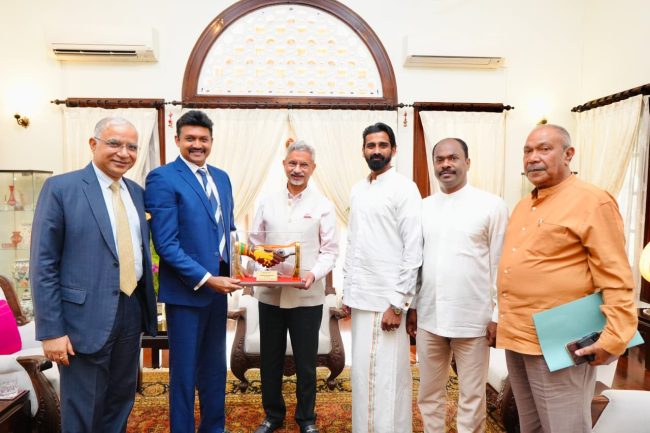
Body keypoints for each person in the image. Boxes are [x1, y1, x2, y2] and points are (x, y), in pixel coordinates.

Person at [496, 124, 638, 433]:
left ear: (568, 154)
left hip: (560, 341)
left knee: (564, 427)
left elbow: (616, 276)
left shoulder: (593, 201)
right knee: (529, 426)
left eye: (544, 149)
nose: (533, 157)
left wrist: (615, 337)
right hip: (518, 336)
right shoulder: (523, 205)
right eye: (527, 151)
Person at [30, 117, 157, 433]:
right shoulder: (61, 189)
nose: (124, 153)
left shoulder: (137, 193)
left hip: (131, 311)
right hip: (81, 320)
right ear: (93, 144)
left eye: (132, 147)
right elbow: (43, 264)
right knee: (83, 409)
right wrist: (51, 331)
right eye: (114, 143)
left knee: (120, 401)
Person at [145, 110, 242, 433]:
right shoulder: (162, 178)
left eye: (203, 139)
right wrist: (206, 279)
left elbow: (228, 229)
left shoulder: (222, 177)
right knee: (184, 373)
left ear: (211, 141)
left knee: (215, 367)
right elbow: (166, 244)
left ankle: (214, 428)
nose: (197, 145)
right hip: (187, 292)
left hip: (219, 292)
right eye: (190, 139)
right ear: (178, 140)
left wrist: (242, 263)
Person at [406, 138, 508, 433]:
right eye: (440, 160)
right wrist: (413, 307)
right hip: (430, 318)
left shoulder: (492, 205)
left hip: (474, 320)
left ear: (467, 162)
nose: (446, 164)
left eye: (453, 158)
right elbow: (417, 263)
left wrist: (498, 316)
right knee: (428, 393)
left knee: (472, 396)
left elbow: (501, 266)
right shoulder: (423, 208)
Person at [250, 140, 338, 433]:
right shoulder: (266, 201)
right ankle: (273, 416)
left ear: (313, 168)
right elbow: (254, 244)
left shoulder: (323, 205)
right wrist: (257, 264)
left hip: (307, 296)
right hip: (270, 295)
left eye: (303, 165)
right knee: (270, 360)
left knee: (306, 363)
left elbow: (330, 251)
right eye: (292, 163)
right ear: (284, 165)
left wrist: (314, 274)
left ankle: (306, 418)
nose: (297, 169)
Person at [342, 122, 422, 433]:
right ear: (363, 150)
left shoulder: (404, 188)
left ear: (393, 150)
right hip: (361, 299)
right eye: (371, 145)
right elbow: (354, 243)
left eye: (382, 145)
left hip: (387, 302)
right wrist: (348, 293)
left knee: (386, 380)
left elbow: (413, 249)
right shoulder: (358, 189)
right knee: (362, 376)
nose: (376, 151)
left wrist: (398, 304)